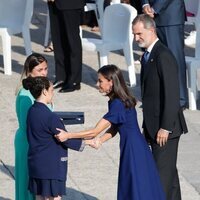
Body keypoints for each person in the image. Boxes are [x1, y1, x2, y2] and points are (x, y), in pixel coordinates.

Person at [55, 65, 165, 200]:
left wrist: (68, 135)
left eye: (100, 81)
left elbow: (94, 132)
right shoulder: (118, 100)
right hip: (136, 146)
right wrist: (101, 141)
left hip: (133, 150)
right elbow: (115, 127)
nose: (97, 84)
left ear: (111, 82)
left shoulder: (118, 104)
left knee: (136, 187)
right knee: (139, 186)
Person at [132, 14, 188, 200]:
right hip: (154, 127)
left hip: (166, 129)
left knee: (159, 181)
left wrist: (165, 127)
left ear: (151, 30)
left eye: (139, 33)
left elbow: (172, 96)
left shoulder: (163, 55)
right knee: (169, 179)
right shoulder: (148, 55)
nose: (136, 38)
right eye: (134, 34)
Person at [23, 76, 90, 200]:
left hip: (36, 164)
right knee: (54, 197)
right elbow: (65, 138)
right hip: (51, 166)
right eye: (51, 91)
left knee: (39, 196)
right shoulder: (50, 117)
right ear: (44, 91)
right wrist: (88, 142)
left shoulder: (31, 111)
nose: (52, 94)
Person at [141, 0, 188, 108]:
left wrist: (155, 8)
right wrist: (145, 4)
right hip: (151, 18)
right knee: (154, 58)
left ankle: (179, 100)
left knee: (174, 59)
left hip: (171, 16)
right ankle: (158, 97)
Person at [15, 53, 48, 200]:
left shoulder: (40, 89)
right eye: (39, 70)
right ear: (29, 72)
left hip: (37, 141)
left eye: (45, 69)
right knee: (27, 184)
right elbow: (28, 124)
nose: (44, 73)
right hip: (29, 143)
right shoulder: (26, 95)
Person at [47, 0, 85, 93]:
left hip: (70, 4)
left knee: (72, 41)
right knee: (58, 40)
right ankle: (61, 77)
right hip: (54, 3)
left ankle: (74, 80)